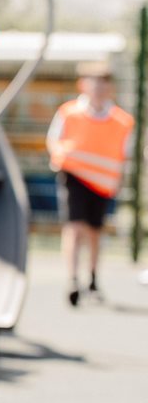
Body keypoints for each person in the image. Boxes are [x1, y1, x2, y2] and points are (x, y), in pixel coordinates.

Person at [46, 62, 134, 305]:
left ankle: (93, 279)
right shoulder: (68, 112)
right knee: (74, 227)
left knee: (95, 231)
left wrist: (118, 180)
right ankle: (73, 279)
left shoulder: (122, 121)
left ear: (110, 87)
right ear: (83, 85)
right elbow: (53, 141)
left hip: (103, 184)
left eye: (103, 83)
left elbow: (124, 154)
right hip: (73, 177)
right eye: (94, 83)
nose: (98, 88)